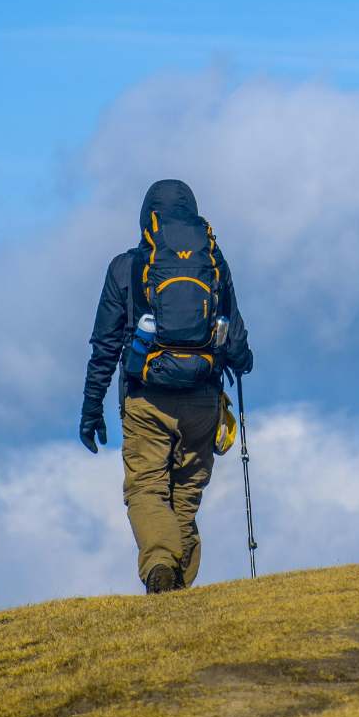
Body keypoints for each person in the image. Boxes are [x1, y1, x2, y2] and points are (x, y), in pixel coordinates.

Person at [79, 179, 253, 594]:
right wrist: (242, 363)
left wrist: (91, 409)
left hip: (146, 398)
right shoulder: (212, 261)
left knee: (146, 489)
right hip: (202, 398)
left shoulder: (126, 266)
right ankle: (177, 588)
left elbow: (104, 345)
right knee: (186, 494)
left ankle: (160, 567)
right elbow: (236, 334)